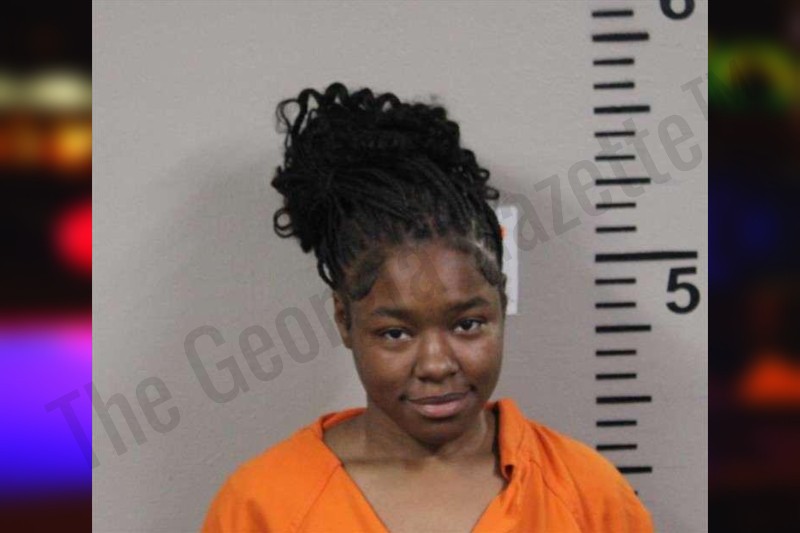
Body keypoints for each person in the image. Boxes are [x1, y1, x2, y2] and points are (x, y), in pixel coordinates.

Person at [201, 82, 654, 532]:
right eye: (395, 333)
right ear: (344, 319)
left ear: (501, 302)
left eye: (467, 324)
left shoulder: (587, 495)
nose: (436, 365)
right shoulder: (264, 506)